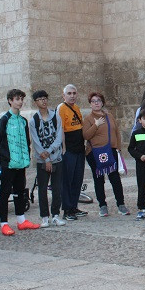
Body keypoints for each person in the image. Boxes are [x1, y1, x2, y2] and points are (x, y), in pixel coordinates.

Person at [0, 89, 40, 235]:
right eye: (17, 99)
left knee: (20, 191)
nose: (20, 102)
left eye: (21, 99)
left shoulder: (23, 121)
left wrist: (25, 155)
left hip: (21, 163)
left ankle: (21, 220)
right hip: (9, 164)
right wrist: (8, 157)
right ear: (10, 101)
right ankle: (4, 223)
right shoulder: (5, 119)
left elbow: (26, 140)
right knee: (5, 192)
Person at [82, 92, 129, 217]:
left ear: (102, 103)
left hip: (110, 150)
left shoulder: (109, 116)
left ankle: (121, 204)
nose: (96, 103)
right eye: (93, 101)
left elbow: (117, 132)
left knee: (115, 178)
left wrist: (118, 148)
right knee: (98, 179)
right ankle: (102, 205)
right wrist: (96, 125)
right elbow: (86, 135)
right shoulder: (88, 119)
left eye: (98, 100)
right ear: (90, 104)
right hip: (94, 153)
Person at [28, 90, 66, 228]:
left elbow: (58, 137)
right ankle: (44, 216)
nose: (43, 101)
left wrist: (49, 153)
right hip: (41, 160)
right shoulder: (34, 120)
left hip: (56, 157)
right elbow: (36, 141)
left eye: (45, 98)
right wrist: (45, 159)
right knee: (42, 189)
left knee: (57, 188)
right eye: (40, 99)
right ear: (36, 102)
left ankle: (55, 214)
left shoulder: (56, 117)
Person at [58, 84, 88, 221]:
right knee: (67, 180)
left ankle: (74, 206)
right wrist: (63, 149)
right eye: (69, 93)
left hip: (79, 149)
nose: (72, 96)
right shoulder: (61, 108)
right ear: (64, 96)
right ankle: (67, 209)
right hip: (68, 149)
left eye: (74, 93)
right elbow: (61, 130)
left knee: (77, 179)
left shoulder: (77, 108)